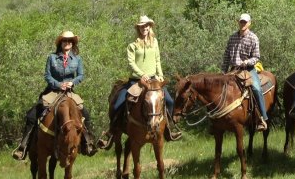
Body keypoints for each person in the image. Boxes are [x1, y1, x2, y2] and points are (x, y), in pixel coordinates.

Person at [12, 29, 98, 160]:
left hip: (69, 92)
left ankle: (88, 143)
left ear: (73, 44)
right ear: (61, 43)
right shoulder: (52, 57)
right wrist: (58, 84)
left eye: (70, 41)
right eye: (65, 40)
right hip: (53, 90)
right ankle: (23, 146)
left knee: (85, 113)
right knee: (31, 115)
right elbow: (47, 75)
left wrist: (72, 83)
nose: (67, 43)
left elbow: (80, 75)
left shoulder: (77, 59)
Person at [97, 15, 180, 149]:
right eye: (142, 26)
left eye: (146, 26)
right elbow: (131, 63)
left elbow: (157, 60)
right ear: (138, 28)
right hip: (136, 81)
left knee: (169, 101)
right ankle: (111, 133)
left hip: (153, 80)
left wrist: (160, 75)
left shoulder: (155, 42)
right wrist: (142, 75)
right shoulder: (132, 45)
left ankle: (169, 129)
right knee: (118, 104)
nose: (144, 28)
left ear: (150, 27)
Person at [221, 13, 268, 130]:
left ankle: (262, 118)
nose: (243, 24)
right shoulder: (232, 37)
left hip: (248, 69)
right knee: (219, 88)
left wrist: (247, 62)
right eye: (241, 22)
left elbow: (256, 57)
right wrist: (223, 71)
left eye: (245, 22)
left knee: (256, 88)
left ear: (249, 23)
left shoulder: (253, 37)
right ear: (238, 22)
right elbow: (227, 55)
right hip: (233, 69)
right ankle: (217, 120)